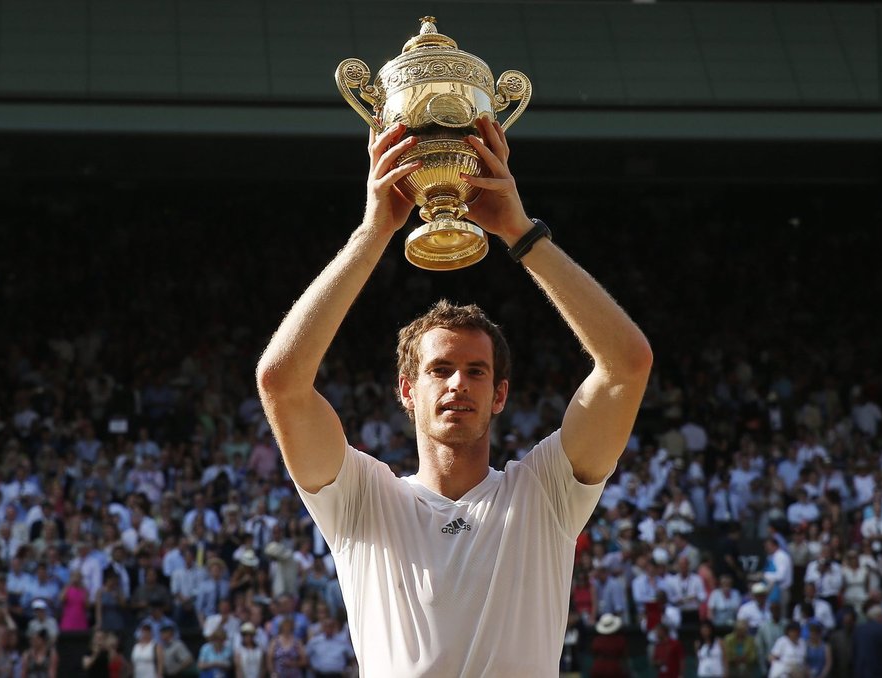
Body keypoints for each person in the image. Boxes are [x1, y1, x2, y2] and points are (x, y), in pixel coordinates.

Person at [254, 117, 652, 677]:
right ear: (406, 391)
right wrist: (372, 234)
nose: (458, 383)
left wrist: (522, 234)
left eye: (476, 371)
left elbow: (627, 367)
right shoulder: (363, 500)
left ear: (500, 394)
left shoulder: (545, 493)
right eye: (440, 370)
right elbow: (280, 382)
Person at [852, 605, 882, 678]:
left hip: (860, 671)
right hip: (878, 672)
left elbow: (854, 651)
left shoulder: (858, 629)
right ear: (879, 616)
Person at [589, 613, 628, 678]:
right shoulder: (620, 640)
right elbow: (624, 656)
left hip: (598, 668)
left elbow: (593, 654)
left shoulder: (597, 640)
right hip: (615, 669)